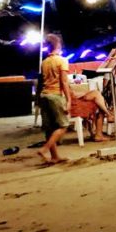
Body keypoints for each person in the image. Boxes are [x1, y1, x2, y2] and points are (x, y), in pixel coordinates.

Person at [37, 35, 72, 164]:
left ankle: (55, 156)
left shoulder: (44, 62)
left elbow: (42, 82)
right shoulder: (62, 61)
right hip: (55, 96)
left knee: (49, 128)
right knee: (63, 125)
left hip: (44, 95)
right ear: (58, 45)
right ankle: (45, 149)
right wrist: (69, 100)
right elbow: (64, 82)